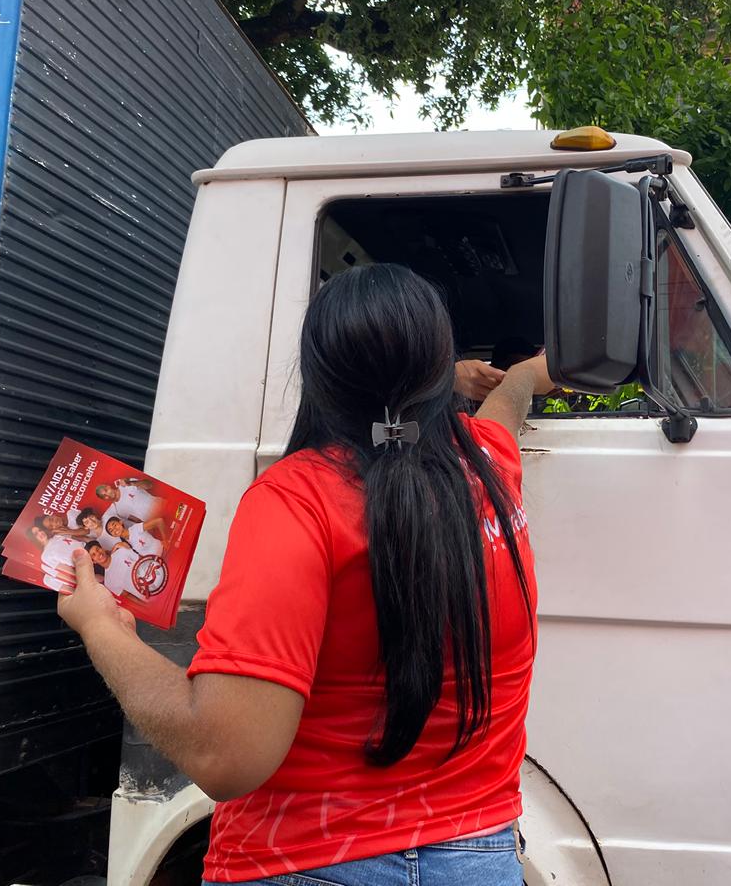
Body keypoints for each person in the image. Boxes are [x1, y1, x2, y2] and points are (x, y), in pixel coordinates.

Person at [56, 263, 553, 884]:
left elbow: (226, 755)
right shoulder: (489, 464)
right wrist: (529, 373)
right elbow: (506, 408)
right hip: (480, 858)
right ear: (438, 372)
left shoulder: (297, 501)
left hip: (308, 861)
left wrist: (103, 629)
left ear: (318, 377)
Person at [27, 521, 81, 592]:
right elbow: (67, 570)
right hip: (83, 563)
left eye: (40, 530)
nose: (40, 533)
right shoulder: (45, 556)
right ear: (34, 539)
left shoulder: (57, 536)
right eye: (36, 534)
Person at [96, 476, 161, 524]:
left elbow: (149, 485)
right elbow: (137, 521)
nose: (107, 495)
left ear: (108, 486)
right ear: (104, 499)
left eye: (106, 491)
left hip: (161, 505)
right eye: (104, 496)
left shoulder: (126, 484)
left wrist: (131, 483)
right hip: (157, 520)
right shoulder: (119, 511)